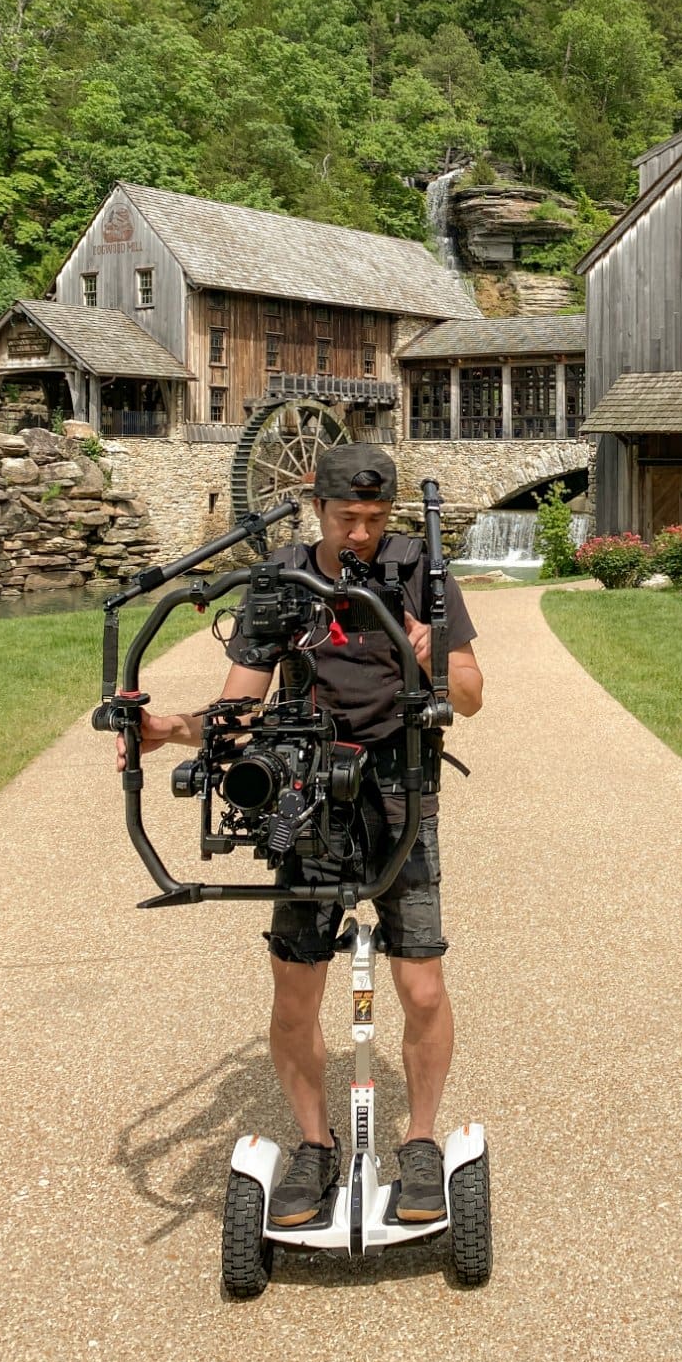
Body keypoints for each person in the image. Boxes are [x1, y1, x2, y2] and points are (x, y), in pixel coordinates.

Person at [130, 445, 482, 1229]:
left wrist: (430, 653)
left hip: (401, 787)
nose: (360, 534)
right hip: (308, 787)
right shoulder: (281, 583)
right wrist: (170, 731)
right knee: (296, 992)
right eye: (346, 517)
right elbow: (238, 711)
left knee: (421, 983)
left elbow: (472, 696)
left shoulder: (422, 571)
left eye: (374, 519)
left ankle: (420, 1142)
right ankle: (315, 1147)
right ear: (315, 508)